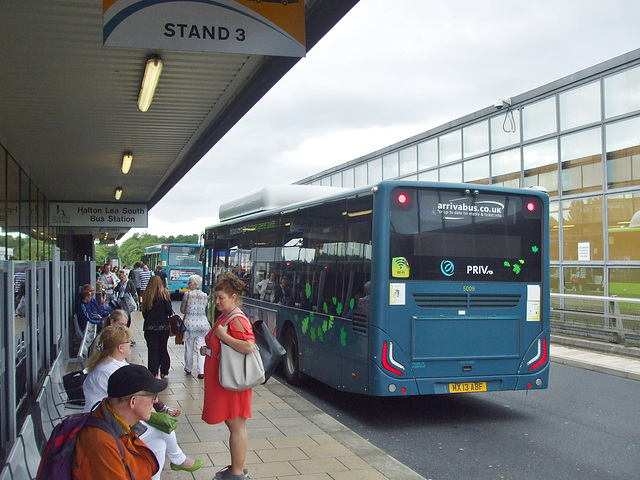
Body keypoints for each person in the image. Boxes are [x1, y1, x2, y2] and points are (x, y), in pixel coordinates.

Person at [82, 327, 202, 478]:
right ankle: (178, 458)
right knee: (164, 428)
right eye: (129, 342)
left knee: (159, 444)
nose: (131, 344)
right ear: (120, 347)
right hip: (109, 424)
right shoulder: (108, 371)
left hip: (112, 419)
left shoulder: (111, 365)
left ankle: (160, 471)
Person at [201, 273, 255, 480]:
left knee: (236, 425)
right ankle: (236, 467)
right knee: (234, 425)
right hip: (227, 380)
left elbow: (249, 346)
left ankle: (238, 472)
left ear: (233, 297)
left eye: (221, 298)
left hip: (232, 383)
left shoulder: (237, 318)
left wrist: (222, 337)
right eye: (216, 298)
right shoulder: (227, 315)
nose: (217, 302)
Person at [73, 363, 165, 479]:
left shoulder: (120, 425)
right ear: (133, 401)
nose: (155, 401)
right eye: (152, 395)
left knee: (160, 443)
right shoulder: (102, 443)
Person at [141, 275, 172, 379]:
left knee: (152, 350)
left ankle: (153, 372)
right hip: (163, 327)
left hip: (150, 327)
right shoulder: (164, 295)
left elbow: (144, 313)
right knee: (163, 348)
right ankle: (164, 370)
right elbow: (169, 311)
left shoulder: (146, 296)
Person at [181, 274, 210, 379]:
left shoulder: (187, 295)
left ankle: (188, 368)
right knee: (201, 347)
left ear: (195, 284)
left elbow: (182, 309)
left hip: (190, 324)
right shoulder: (205, 295)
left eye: (189, 282)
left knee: (189, 347)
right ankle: (201, 371)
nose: (188, 284)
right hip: (202, 324)